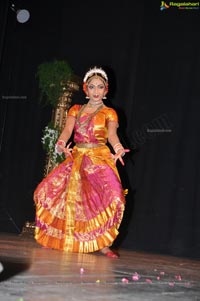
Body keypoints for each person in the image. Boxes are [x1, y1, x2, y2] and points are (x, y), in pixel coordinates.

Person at [34, 66, 130, 258]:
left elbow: (112, 135)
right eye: (92, 87)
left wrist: (118, 148)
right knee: (54, 194)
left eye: (100, 87)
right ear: (86, 89)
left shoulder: (110, 112)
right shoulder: (76, 109)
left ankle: (104, 244)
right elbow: (68, 130)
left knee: (115, 197)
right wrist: (61, 143)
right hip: (77, 157)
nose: (96, 91)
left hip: (99, 158)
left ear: (106, 89)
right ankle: (53, 237)